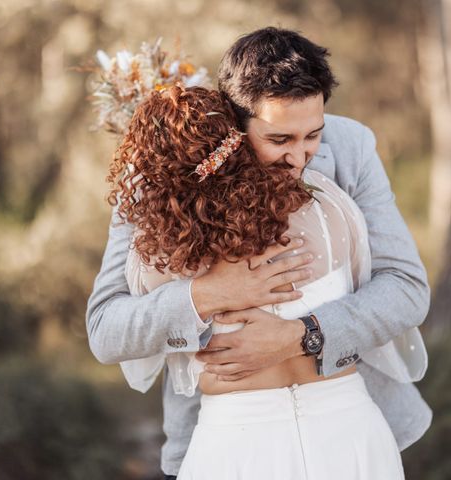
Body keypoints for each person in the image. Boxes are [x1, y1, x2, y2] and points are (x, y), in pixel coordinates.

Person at [86, 27, 432, 479]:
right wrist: (207, 294)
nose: (301, 156)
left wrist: (302, 335)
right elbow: (105, 328)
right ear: (235, 121)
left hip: (348, 425)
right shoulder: (165, 172)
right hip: (226, 439)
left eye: (313, 135)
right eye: (279, 140)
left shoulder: (350, 148)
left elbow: (406, 287)